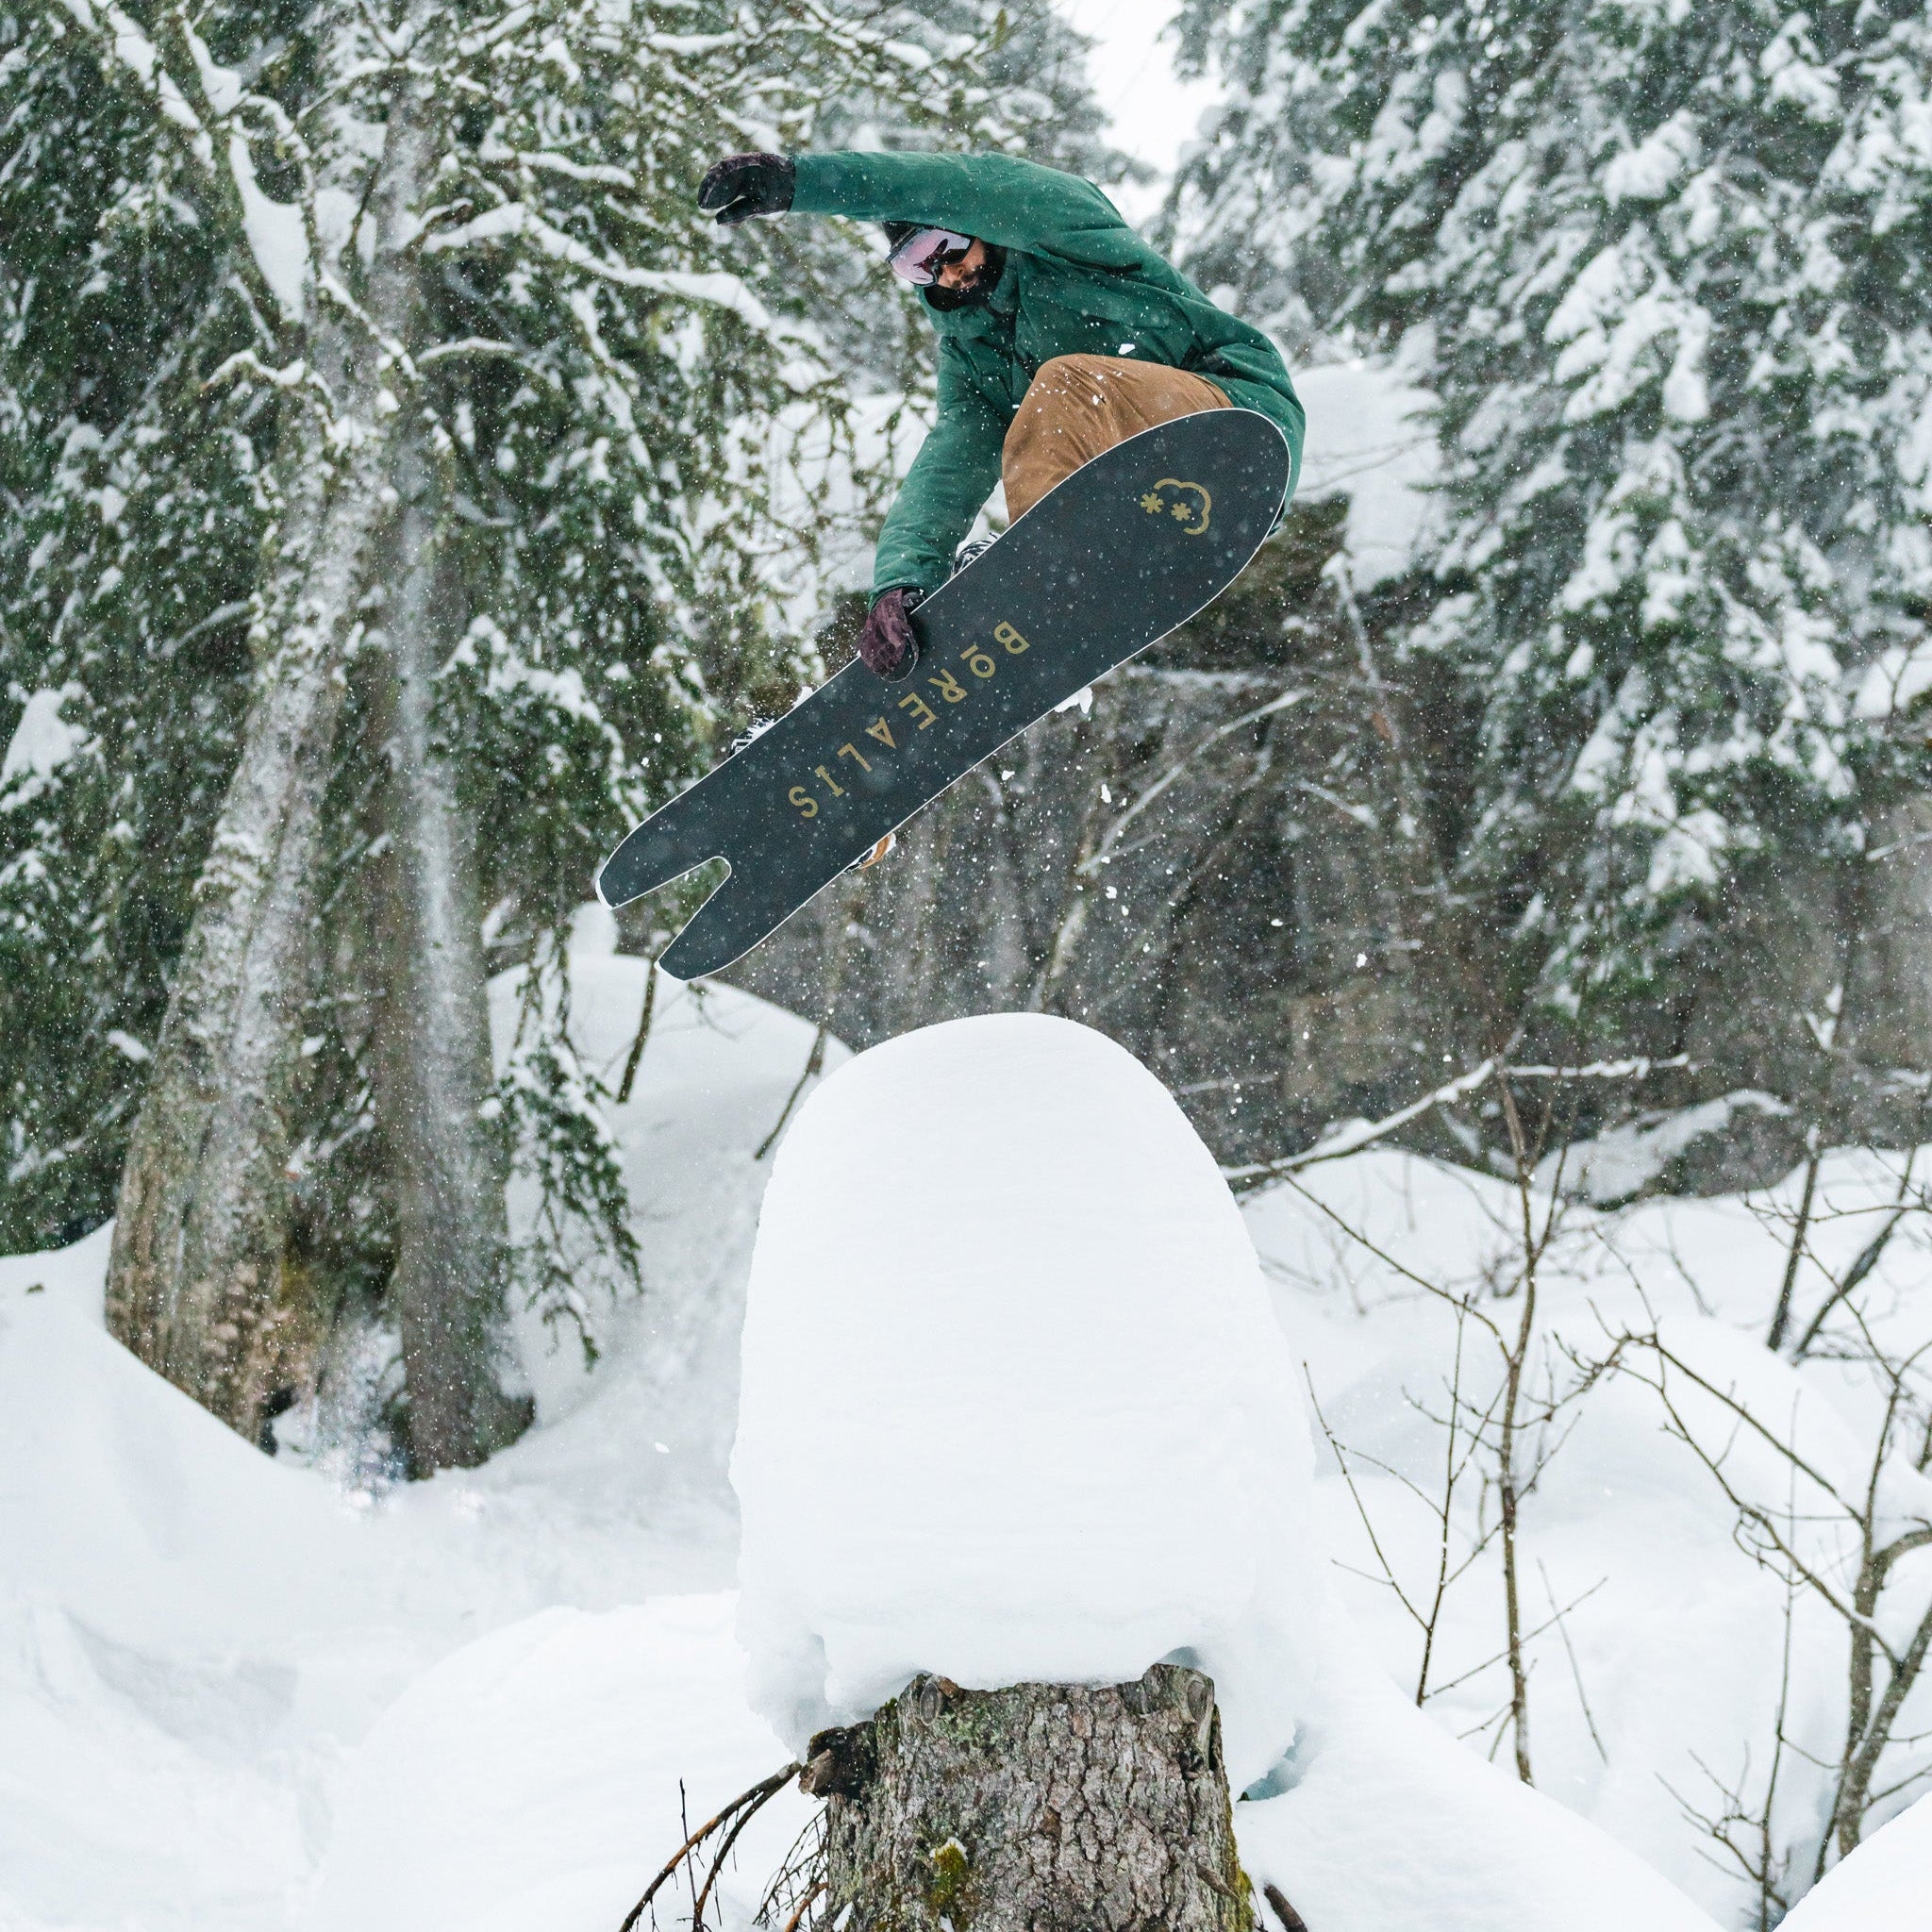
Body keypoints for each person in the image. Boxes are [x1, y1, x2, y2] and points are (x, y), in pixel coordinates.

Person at [696, 149, 1305, 683]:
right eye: (920, 266)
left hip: (1234, 407)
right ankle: (1071, 560)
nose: (946, 271)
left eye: (947, 246)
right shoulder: (973, 355)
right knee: (1042, 408)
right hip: (1161, 482)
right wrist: (902, 581)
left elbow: (952, 182)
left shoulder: (1057, 228)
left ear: (976, 223)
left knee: (1064, 385)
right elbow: (950, 465)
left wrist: (803, 183)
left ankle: (1052, 569)